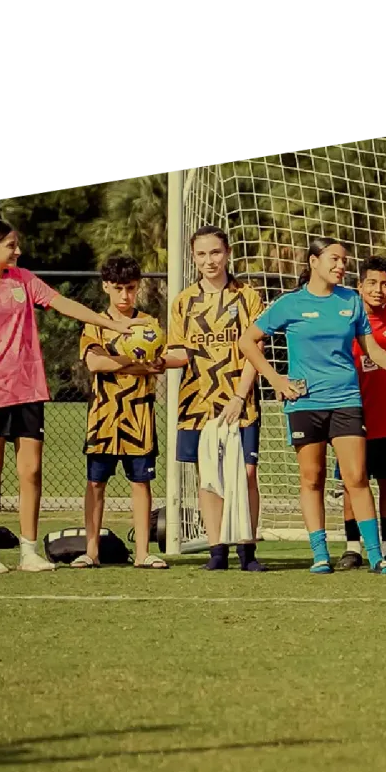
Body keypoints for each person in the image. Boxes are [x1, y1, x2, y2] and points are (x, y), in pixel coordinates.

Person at [238, 238, 386, 575]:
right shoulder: (290, 304)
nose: (341, 265)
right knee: (311, 478)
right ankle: (319, 555)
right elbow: (246, 340)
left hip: (346, 400)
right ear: (314, 261)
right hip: (305, 403)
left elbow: (373, 351)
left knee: (357, 477)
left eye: (344, 260)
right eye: (334, 259)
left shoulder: (351, 301)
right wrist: (276, 380)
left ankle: (376, 555)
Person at [0, 219, 132, 574]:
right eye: (11, 246)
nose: (17, 251)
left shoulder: (24, 280)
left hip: (28, 388)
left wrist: (110, 324)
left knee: (31, 471)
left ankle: (29, 551)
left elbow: (64, 304)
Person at [165, 226, 265, 571]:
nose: (209, 261)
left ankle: (247, 550)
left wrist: (240, 395)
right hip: (197, 401)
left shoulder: (248, 297)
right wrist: (151, 360)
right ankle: (217, 550)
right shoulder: (183, 301)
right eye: (202, 254)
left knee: (247, 474)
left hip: (240, 401)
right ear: (193, 257)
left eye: (215, 253)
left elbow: (256, 349)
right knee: (207, 476)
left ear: (228, 253)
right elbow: (178, 352)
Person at [76, 254, 165, 569]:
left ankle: (142, 553)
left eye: (130, 288)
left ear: (137, 287)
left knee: (141, 483)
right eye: (118, 288)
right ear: (105, 287)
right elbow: (95, 363)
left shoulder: (150, 324)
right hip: (103, 415)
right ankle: (91, 551)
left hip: (139, 415)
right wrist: (136, 361)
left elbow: (159, 364)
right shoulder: (95, 324)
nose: (125, 296)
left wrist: (136, 364)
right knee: (96, 483)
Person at [338, 257, 386, 571]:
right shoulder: (346, 312)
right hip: (351, 410)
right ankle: (353, 547)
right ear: (359, 285)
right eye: (372, 283)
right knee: (353, 480)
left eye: (385, 284)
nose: (379, 290)